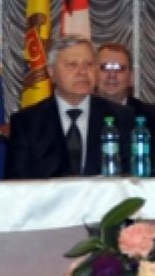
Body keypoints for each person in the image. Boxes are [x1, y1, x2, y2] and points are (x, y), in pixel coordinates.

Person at [7, 35, 131, 179]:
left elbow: (131, 176)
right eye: (72, 65)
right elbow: (17, 183)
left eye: (89, 64)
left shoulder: (121, 117)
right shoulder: (27, 122)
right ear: (51, 72)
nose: (82, 72)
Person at [94, 41, 155, 124]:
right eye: (105, 68)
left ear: (131, 77)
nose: (112, 75)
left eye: (120, 69)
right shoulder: (84, 116)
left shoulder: (154, 118)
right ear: (94, 75)